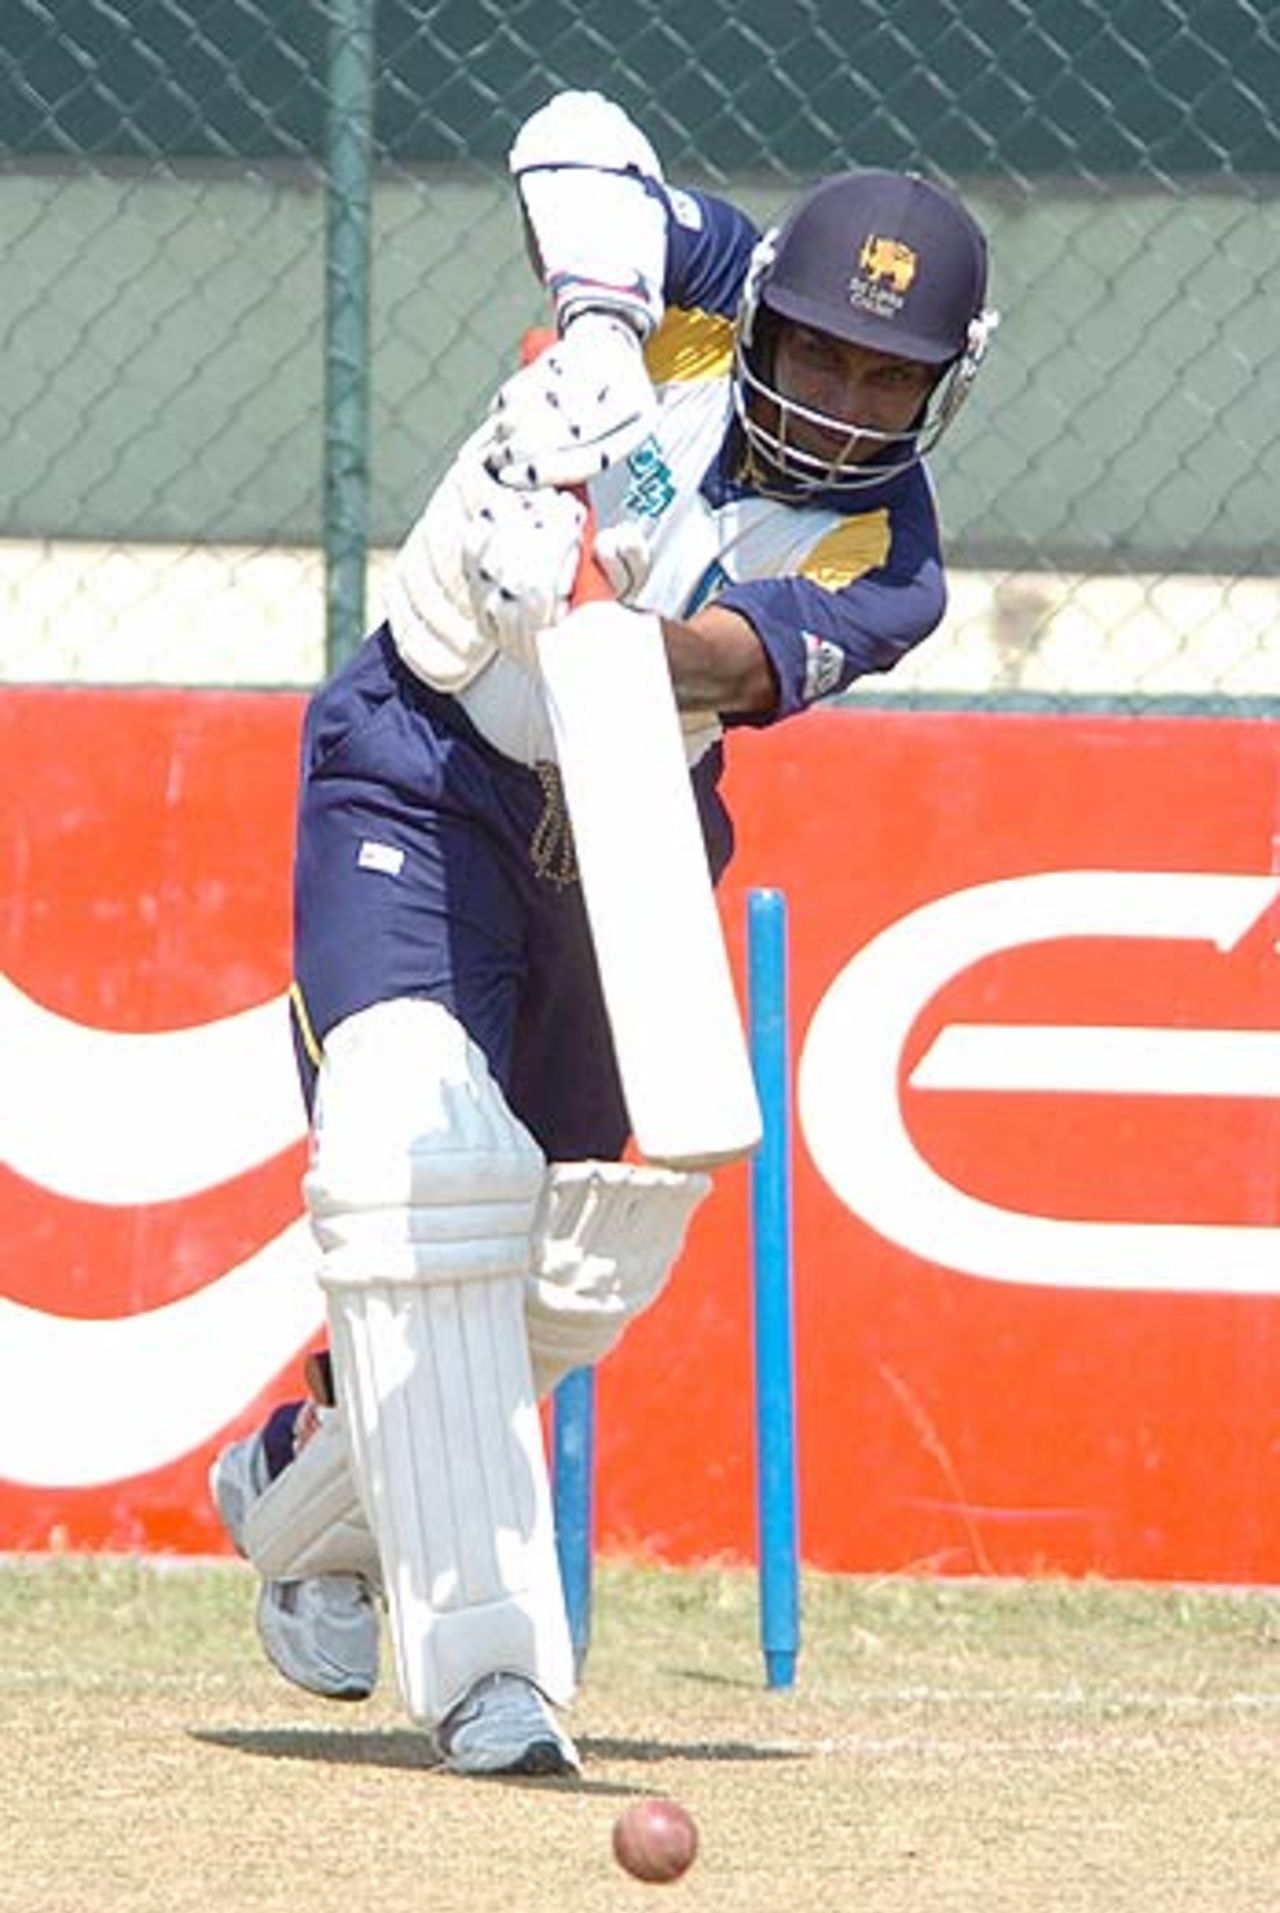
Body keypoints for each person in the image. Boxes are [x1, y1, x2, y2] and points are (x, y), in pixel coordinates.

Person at [209, 88, 997, 1776]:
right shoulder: (706, 285)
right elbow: (572, 134)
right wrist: (595, 341)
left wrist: (580, 583)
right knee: (418, 1153)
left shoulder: (894, 561)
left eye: (890, 378)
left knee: (559, 1253)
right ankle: (492, 1676)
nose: (843, 402)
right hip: (421, 768)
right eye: (821, 351)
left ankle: (298, 1491)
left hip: (621, 821)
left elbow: (709, 661)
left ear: (944, 388)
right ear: (767, 306)